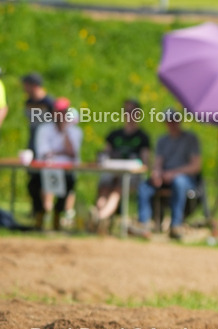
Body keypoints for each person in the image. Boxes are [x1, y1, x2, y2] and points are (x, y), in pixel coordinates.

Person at [135, 108, 201, 239]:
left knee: (179, 182)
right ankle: (144, 224)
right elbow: (158, 162)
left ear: (179, 121)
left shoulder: (191, 139)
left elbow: (195, 166)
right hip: (165, 177)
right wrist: (156, 174)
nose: (171, 123)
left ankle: (176, 225)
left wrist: (174, 173)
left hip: (185, 179)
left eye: (174, 120)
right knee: (144, 187)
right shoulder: (162, 140)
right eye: (168, 121)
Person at [91, 99, 151, 231]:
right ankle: (99, 217)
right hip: (113, 171)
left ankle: (100, 217)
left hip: (132, 176)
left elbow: (145, 163)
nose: (129, 114)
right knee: (104, 188)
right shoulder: (114, 134)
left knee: (118, 190)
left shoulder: (142, 137)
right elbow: (104, 155)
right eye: (127, 111)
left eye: (132, 111)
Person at [33, 97, 82, 231]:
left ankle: (56, 215)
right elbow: (44, 153)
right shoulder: (44, 129)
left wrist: (64, 131)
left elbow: (72, 153)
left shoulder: (74, 131)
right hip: (47, 169)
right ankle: (42, 213)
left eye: (64, 112)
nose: (61, 115)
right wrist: (61, 152)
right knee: (37, 182)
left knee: (67, 183)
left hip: (66, 170)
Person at [21, 72, 55, 223]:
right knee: (33, 180)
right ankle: (37, 210)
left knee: (46, 180)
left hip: (47, 147)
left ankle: (47, 209)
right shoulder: (28, 102)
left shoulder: (49, 102)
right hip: (33, 144)